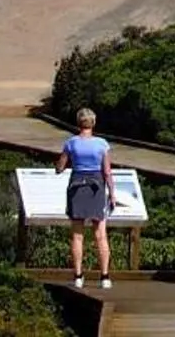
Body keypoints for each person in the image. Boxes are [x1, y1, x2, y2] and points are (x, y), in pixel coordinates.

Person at [57, 108, 113, 290]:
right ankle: (104, 277)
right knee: (100, 234)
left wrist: (63, 164)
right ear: (93, 123)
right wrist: (112, 193)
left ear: (78, 122)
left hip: (77, 185)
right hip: (96, 186)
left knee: (77, 235)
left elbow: (60, 167)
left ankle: (78, 276)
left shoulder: (71, 143)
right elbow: (107, 171)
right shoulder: (102, 144)